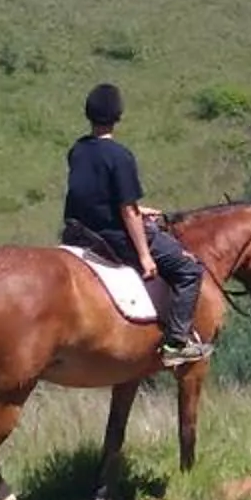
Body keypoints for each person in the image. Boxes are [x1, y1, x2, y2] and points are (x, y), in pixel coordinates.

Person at [62, 84, 213, 365]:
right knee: (189, 269)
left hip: (78, 233)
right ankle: (176, 344)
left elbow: (91, 194)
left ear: (89, 115)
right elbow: (127, 212)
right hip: (112, 237)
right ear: (117, 116)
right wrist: (144, 256)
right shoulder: (120, 156)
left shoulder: (78, 150)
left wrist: (139, 209)